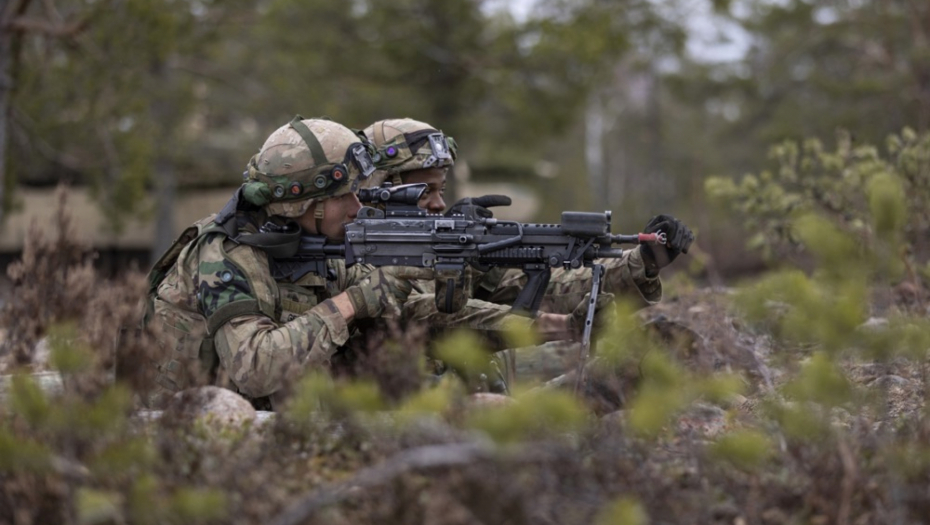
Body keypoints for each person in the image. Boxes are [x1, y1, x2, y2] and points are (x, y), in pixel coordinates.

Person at [361, 118, 694, 394]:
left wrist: (642, 262)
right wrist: (560, 327)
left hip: (473, 381)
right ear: (379, 191)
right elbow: (433, 317)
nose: (437, 205)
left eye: (441, 191)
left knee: (647, 351)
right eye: (424, 193)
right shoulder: (351, 257)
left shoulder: (439, 245)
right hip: (408, 406)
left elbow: (551, 289)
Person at [145, 117, 433, 408]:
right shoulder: (225, 253)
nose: (357, 209)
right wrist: (353, 303)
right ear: (304, 202)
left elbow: (389, 300)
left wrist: (450, 294)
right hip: (179, 432)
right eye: (343, 196)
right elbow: (254, 369)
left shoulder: (314, 244)